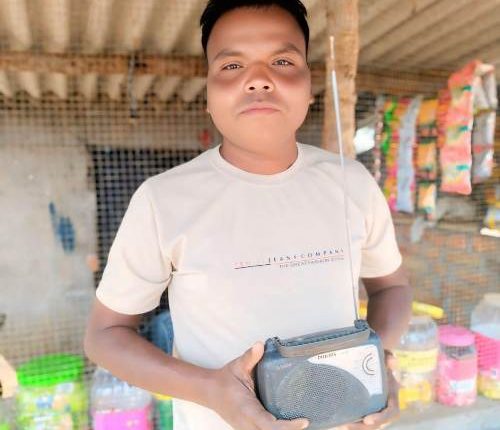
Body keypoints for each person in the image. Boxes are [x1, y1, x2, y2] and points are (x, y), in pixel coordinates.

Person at [84, 1, 413, 429]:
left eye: (282, 61)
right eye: (232, 65)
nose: (258, 79)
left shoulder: (353, 183)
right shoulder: (162, 201)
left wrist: (378, 360)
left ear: (310, 87)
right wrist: (211, 390)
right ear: (208, 95)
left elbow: (392, 288)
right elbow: (105, 336)